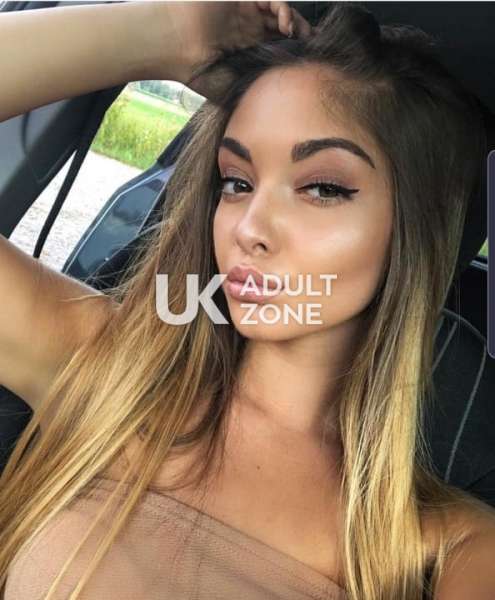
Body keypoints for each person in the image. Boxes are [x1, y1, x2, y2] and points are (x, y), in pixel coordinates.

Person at [0, 1, 494, 598]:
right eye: (236, 182)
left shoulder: (447, 547)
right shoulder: (109, 378)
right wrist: (165, 33)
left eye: (323, 188)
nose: (249, 227)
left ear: (413, 231)